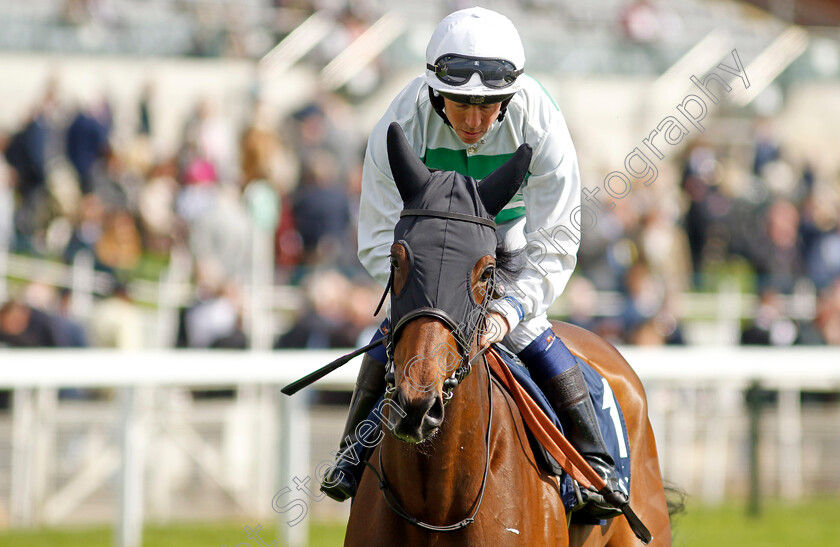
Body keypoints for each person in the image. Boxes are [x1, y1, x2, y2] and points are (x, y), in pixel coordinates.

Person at [320, 7, 626, 515]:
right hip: (428, 252)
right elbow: (376, 238)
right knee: (399, 330)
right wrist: (424, 297)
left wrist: (505, 310)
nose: (474, 120)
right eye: (460, 103)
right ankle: (351, 453)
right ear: (436, 92)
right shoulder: (400, 121)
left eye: (488, 106)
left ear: (510, 98)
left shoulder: (542, 120)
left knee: (530, 331)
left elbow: (557, 242)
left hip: (507, 245)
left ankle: (598, 466)